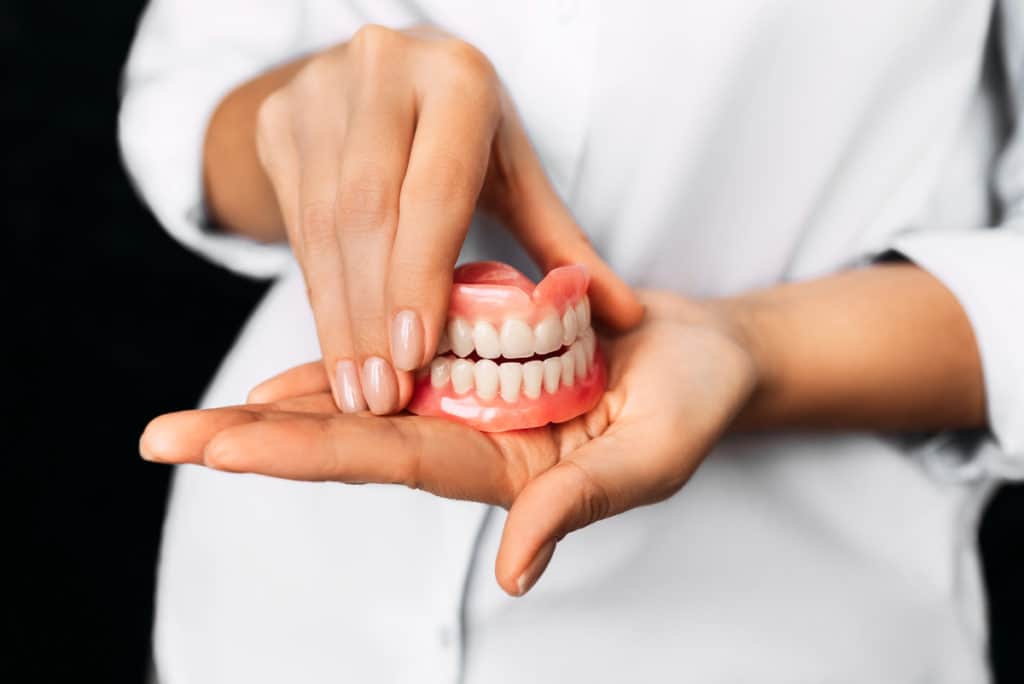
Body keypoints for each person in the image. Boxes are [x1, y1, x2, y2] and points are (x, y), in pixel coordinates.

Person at [121, 2, 1023, 682]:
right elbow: (185, 102)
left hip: (781, 627)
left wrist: (754, 350)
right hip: (279, 608)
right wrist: (312, 116)